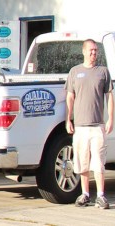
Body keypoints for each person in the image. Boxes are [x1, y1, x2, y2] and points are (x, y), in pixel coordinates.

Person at [65, 39, 112, 209]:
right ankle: (85, 194)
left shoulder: (103, 72)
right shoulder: (74, 72)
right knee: (82, 161)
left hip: (98, 126)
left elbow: (109, 96)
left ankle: (100, 196)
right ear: (84, 51)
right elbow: (70, 96)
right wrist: (68, 119)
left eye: (95, 51)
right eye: (91, 50)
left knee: (98, 161)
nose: (94, 53)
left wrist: (110, 119)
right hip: (80, 127)